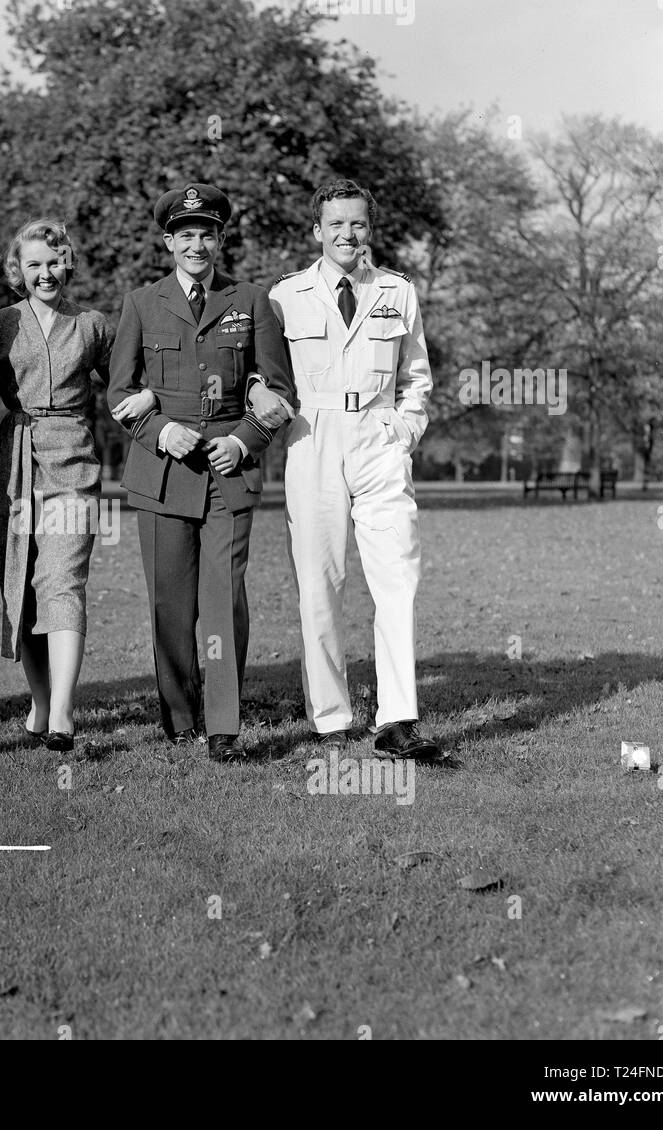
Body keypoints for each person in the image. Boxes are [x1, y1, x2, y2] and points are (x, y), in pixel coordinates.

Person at [107, 183, 297, 762]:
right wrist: (161, 429)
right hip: (163, 471)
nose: (197, 244)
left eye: (207, 234)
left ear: (220, 239)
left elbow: (280, 391)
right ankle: (179, 713)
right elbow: (118, 392)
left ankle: (224, 723)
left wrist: (244, 441)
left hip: (227, 471)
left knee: (223, 596)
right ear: (168, 242)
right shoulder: (141, 303)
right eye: (185, 235)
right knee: (170, 600)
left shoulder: (252, 301)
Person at [0, 219, 153, 752]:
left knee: (62, 579)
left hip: (74, 461)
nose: (46, 273)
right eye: (33, 264)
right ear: (17, 269)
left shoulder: (92, 325)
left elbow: (125, 382)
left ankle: (63, 711)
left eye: (54, 261)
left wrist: (151, 397)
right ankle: (39, 701)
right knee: (18, 583)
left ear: (69, 263)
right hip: (13, 458)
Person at [265, 178, 441, 758]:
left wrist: (404, 431)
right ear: (316, 231)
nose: (347, 234)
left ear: (371, 228)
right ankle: (332, 718)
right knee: (320, 582)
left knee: (397, 576)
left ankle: (397, 721)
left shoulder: (398, 292)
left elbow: (417, 376)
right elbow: (266, 378)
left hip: (378, 440)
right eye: (335, 224)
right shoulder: (284, 296)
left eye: (358, 223)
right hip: (311, 440)